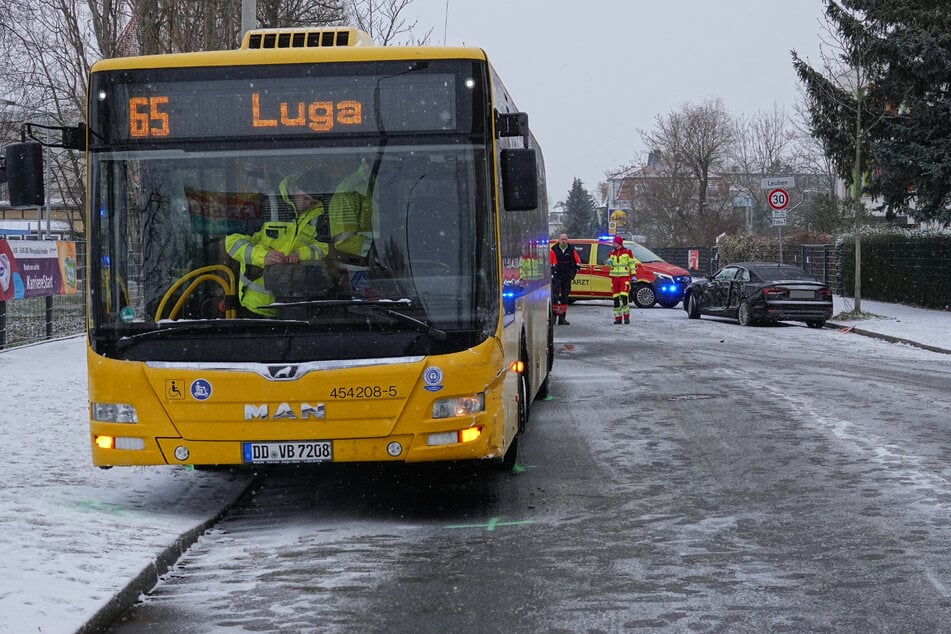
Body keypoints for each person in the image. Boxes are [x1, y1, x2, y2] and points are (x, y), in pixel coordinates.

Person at [225, 170, 330, 316]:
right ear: (294, 188)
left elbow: (322, 247)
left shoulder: (319, 213)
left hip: (298, 304)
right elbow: (233, 242)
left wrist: (301, 254)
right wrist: (263, 256)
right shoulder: (261, 203)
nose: (308, 204)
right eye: (305, 198)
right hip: (258, 305)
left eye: (313, 202)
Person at [550, 233, 581, 325]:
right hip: (556, 277)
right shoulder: (554, 250)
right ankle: (554, 317)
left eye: (565, 239)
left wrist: (572, 275)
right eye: (562, 239)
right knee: (555, 297)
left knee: (564, 297)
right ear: (559, 240)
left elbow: (577, 263)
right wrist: (554, 275)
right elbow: (552, 264)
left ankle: (562, 318)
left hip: (566, 277)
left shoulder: (571, 250)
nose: (563, 241)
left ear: (567, 240)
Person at [606, 234, 636, 324]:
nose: (613, 244)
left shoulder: (627, 252)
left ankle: (626, 317)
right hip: (615, 278)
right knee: (615, 298)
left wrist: (633, 275)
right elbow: (609, 264)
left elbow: (632, 264)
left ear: (619, 243)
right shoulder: (612, 253)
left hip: (624, 277)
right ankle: (617, 318)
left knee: (624, 296)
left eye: (614, 243)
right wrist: (608, 262)